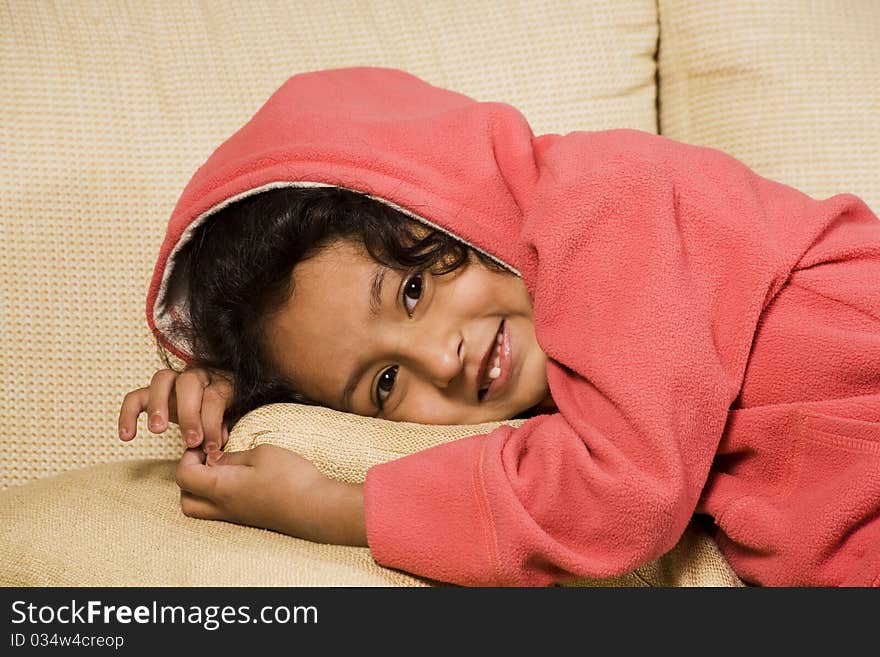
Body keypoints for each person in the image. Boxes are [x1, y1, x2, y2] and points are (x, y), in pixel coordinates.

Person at [118, 67, 880, 587]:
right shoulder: (565, 371)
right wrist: (231, 391)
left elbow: (623, 490)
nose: (441, 357)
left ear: (445, 201)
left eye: (413, 289)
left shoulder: (605, 202)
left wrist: (338, 508)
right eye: (385, 383)